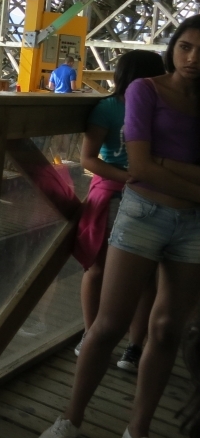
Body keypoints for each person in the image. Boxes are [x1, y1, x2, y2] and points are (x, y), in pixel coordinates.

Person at [41, 15, 200, 438]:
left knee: (167, 330)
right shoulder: (145, 90)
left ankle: (138, 429)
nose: (192, 58)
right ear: (172, 48)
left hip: (194, 226)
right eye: (185, 46)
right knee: (109, 323)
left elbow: (150, 165)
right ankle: (70, 420)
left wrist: (165, 165)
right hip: (143, 213)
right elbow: (140, 166)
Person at [74, 51, 165, 371]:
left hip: (126, 193)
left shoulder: (111, 107)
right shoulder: (125, 108)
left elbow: (88, 158)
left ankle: (97, 336)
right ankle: (128, 345)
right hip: (134, 194)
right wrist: (134, 178)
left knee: (101, 269)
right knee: (138, 276)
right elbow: (88, 157)